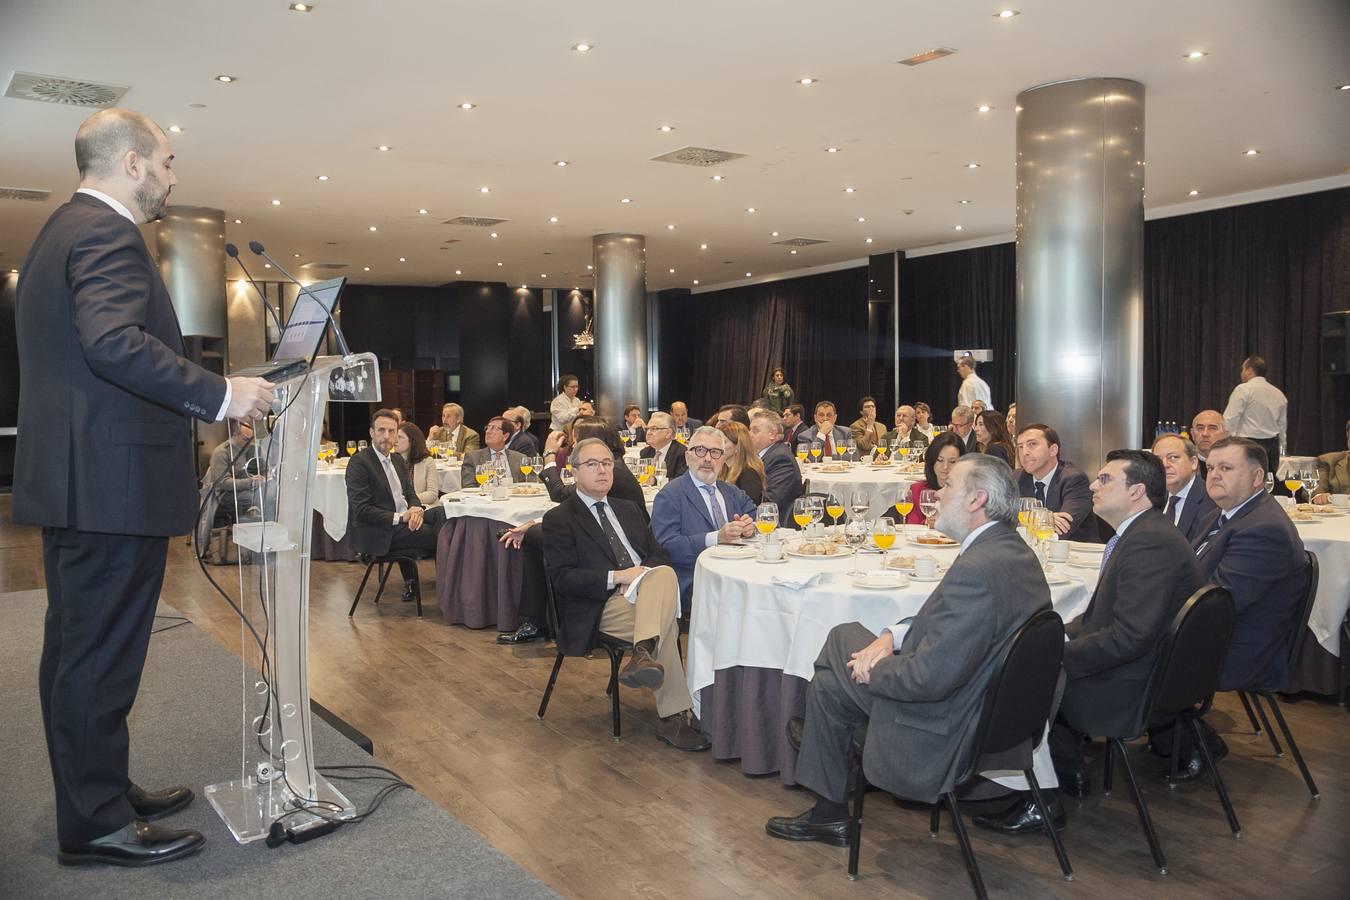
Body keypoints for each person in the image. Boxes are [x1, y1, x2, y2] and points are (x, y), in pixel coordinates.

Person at [14, 107, 277, 866]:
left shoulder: (60, 230)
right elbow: (113, 343)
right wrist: (222, 395)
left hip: (84, 482)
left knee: (80, 650)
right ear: (131, 163)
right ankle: (94, 822)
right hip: (107, 485)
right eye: (164, 161)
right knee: (97, 655)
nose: (170, 175)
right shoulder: (103, 232)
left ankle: (97, 792)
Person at [764, 455, 1049, 846]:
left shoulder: (978, 569)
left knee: (838, 643)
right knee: (831, 685)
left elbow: (927, 679)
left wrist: (870, 669)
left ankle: (823, 779)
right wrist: (890, 639)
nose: (937, 493)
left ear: (976, 499)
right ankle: (827, 807)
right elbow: (950, 622)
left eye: (948, 486)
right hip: (989, 711)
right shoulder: (1008, 550)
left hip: (947, 723)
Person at [977, 450, 1202, 834]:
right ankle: (1067, 773)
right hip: (1150, 669)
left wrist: (1056, 655)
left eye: (1106, 480)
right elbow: (1107, 617)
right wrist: (1060, 632)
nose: (1094, 486)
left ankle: (1039, 800)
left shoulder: (1149, 544)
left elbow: (1129, 636)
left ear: (1138, 491)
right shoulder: (1144, 533)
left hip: (1133, 686)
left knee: (1014, 677)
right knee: (1030, 656)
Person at [541, 438, 709, 750]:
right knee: (667, 624)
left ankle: (642, 653)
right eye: (592, 464)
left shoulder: (629, 509)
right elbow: (564, 579)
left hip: (645, 595)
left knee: (663, 574)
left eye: (607, 463)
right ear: (573, 472)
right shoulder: (560, 519)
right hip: (600, 606)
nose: (602, 470)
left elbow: (660, 555)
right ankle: (672, 716)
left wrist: (640, 577)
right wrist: (618, 577)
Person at [1164, 437, 1308, 780]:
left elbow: (1217, 604)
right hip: (1222, 631)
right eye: (1211, 468)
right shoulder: (1224, 514)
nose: (1213, 475)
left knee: (1129, 646)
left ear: (1258, 478)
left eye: (1226, 468)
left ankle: (1188, 741)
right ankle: (1169, 736)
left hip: (1239, 648)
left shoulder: (1263, 528)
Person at [497, 419, 648, 646]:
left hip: (613, 549)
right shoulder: (613, 465)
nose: (572, 442)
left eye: (576, 437)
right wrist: (535, 522)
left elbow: (560, 494)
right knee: (538, 534)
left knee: (537, 538)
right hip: (599, 538)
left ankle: (537, 620)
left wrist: (549, 456)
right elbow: (578, 508)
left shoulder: (607, 472)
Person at [347, 409, 448, 598]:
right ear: (371, 433)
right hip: (379, 530)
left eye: (392, 431)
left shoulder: (397, 460)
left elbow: (410, 494)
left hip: (403, 521)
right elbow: (361, 510)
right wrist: (402, 517)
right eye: (381, 430)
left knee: (443, 514)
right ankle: (449, 587)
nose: (387, 436)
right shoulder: (359, 463)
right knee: (445, 536)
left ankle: (447, 583)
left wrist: (416, 510)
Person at [650, 426, 758, 603]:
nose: (708, 458)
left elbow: (760, 518)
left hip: (737, 571)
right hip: (695, 578)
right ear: (687, 456)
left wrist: (750, 527)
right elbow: (668, 547)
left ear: (723, 459)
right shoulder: (670, 495)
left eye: (715, 452)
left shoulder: (731, 491)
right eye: (700, 450)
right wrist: (717, 537)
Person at [1015, 424, 1097, 542]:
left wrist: (1026, 520)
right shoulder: (1016, 478)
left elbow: (1063, 528)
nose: (1024, 452)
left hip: (1076, 554)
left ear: (1053, 450)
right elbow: (1000, 520)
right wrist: (1047, 519)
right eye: (1020, 447)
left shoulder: (1074, 479)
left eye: (1032, 444)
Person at [1222, 356, 1288, 479]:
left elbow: (1230, 419)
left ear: (1249, 370)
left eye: (1242, 369)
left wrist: (1226, 444)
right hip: (1272, 447)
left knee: (1246, 481)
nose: (1241, 373)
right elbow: (1282, 427)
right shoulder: (1278, 393)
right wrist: (1282, 451)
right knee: (1267, 483)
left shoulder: (1243, 389)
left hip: (1247, 445)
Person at [1152, 434, 1216, 542]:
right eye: (1157, 460)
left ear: (1193, 462)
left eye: (1173, 457)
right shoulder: (1151, 499)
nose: (1164, 465)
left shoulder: (1212, 501)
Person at [893, 432, 965, 526]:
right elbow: (912, 527)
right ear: (932, 460)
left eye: (952, 461)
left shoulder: (968, 492)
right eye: (940, 460)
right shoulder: (917, 490)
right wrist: (927, 523)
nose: (945, 467)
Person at [749, 409, 803, 521]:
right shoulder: (765, 455)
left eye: (755, 431)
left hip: (774, 526)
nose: (749, 434)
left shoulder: (780, 459)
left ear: (772, 434)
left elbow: (770, 503)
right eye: (750, 430)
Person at [204, 420, 264, 518]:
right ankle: (247, 523)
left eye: (252, 439)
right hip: (227, 494)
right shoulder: (222, 452)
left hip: (252, 489)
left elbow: (265, 468)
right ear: (235, 434)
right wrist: (250, 482)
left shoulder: (254, 449)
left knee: (272, 493)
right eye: (246, 439)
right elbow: (223, 483)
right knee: (255, 498)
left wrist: (266, 475)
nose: (250, 443)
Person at [461, 417, 529, 485]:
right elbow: (468, 486)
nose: (487, 432)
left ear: (505, 436)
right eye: (487, 428)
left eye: (493, 428)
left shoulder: (519, 458)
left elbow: (533, 483)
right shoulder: (472, 457)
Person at [718, 421, 766, 504]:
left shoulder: (749, 474)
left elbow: (748, 508)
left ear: (738, 446)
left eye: (723, 442)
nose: (717, 446)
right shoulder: (723, 470)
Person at [397, 422, 440, 506]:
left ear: (412, 440)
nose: (395, 440)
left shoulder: (427, 461)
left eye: (400, 437)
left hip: (424, 507)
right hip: (399, 510)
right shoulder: (391, 461)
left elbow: (432, 494)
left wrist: (407, 500)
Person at [639, 412, 687, 481]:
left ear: (668, 433)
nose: (648, 432)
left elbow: (681, 481)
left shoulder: (682, 453)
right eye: (647, 428)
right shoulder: (645, 452)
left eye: (654, 429)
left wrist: (655, 481)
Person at [1312, 419, 1350, 503]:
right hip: (1341, 514)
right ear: (1348, 436)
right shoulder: (1328, 461)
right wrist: (1320, 496)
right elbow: (1315, 487)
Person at [1190, 409, 1228, 481]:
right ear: (1192, 434)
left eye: (1212, 428)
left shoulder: (1234, 464)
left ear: (1225, 435)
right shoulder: (1185, 464)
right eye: (1200, 428)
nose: (1205, 434)